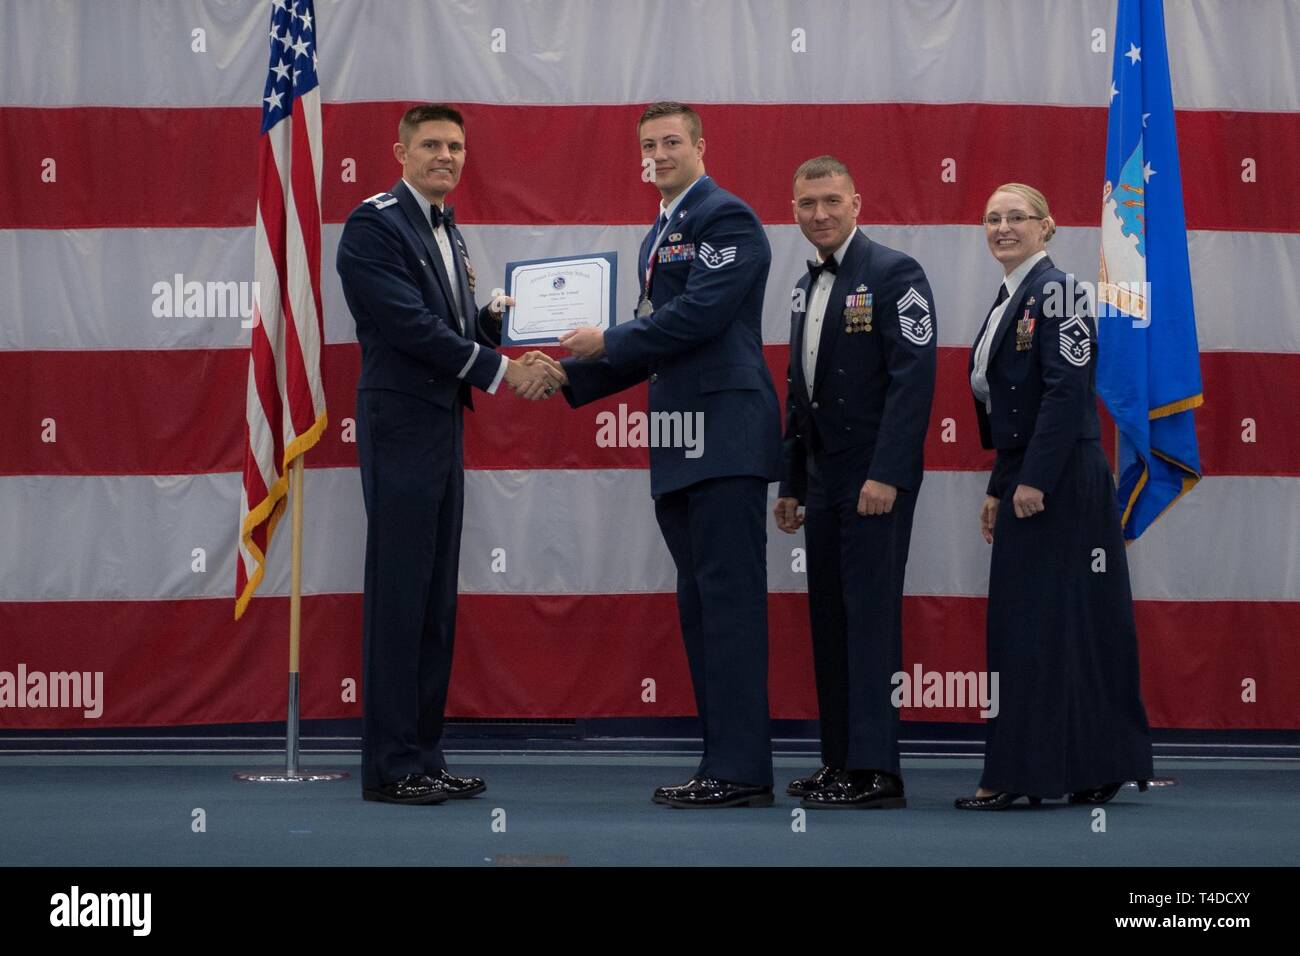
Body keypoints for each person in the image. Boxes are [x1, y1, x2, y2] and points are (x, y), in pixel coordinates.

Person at [552, 101, 782, 808]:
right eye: (648, 144)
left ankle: (741, 769)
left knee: (729, 605)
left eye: (672, 141)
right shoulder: (664, 227)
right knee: (702, 606)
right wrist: (567, 374)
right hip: (682, 440)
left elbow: (699, 317)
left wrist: (606, 341)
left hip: (725, 435)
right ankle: (722, 762)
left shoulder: (726, 217)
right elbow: (660, 334)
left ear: (701, 145)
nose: (659, 152)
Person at [336, 103, 560, 805]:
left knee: (434, 599)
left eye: (455, 146)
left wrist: (492, 324)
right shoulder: (373, 224)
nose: (446, 156)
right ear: (399, 151)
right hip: (401, 422)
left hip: (439, 423)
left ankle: (424, 755)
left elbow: (447, 326)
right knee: (402, 597)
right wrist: (500, 370)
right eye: (431, 144)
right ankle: (391, 768)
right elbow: (405, 324)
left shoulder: (448, 228)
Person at [955, 183, 1154, 810]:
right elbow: (1014, 405)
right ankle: (1088, 764)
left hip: (1063, 479)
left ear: (1049, 226)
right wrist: (1000, 485)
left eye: (1017, 217)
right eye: (993, 218)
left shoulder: (1060, 291)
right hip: (1032, 475)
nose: (1003, 227)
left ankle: (1022, 774)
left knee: (1047, 628)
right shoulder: (1012, 294)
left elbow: (1068, 391)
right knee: (1045, 627)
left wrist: (1033, 481)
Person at [774, 157, 936, 809]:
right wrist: (789, 480)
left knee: (868, 620)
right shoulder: (804, 284)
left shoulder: (897, 272)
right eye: (807, 203)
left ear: (857, 203)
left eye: (831, 201)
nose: (819, 213)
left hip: (873, 476)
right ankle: (839, 760)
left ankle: (877, 771)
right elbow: (799, 391)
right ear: (794, 210)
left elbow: (912, 378)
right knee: (830, 620)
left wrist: (887, 474)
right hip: (820, 478)